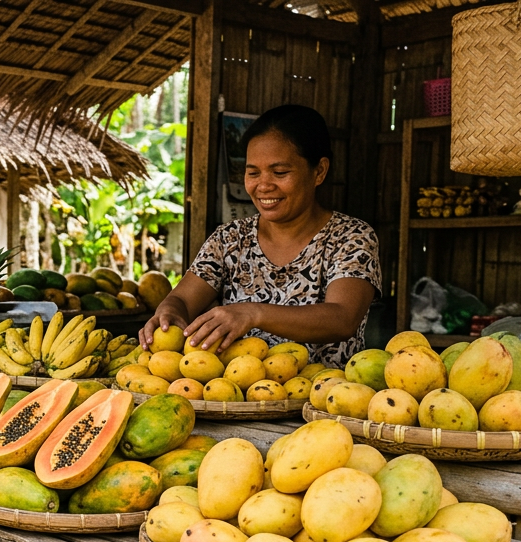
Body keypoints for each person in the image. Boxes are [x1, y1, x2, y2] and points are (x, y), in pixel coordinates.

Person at [139, 104, 380, 367]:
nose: (263, 186)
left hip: (325, 399)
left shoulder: (352, 237)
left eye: (280, 173)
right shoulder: (229, 239)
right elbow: (183, 299)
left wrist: (254, 313)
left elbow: (342, 318)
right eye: (253, 172)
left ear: (319, 171)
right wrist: (171, 311)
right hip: (236, 399)